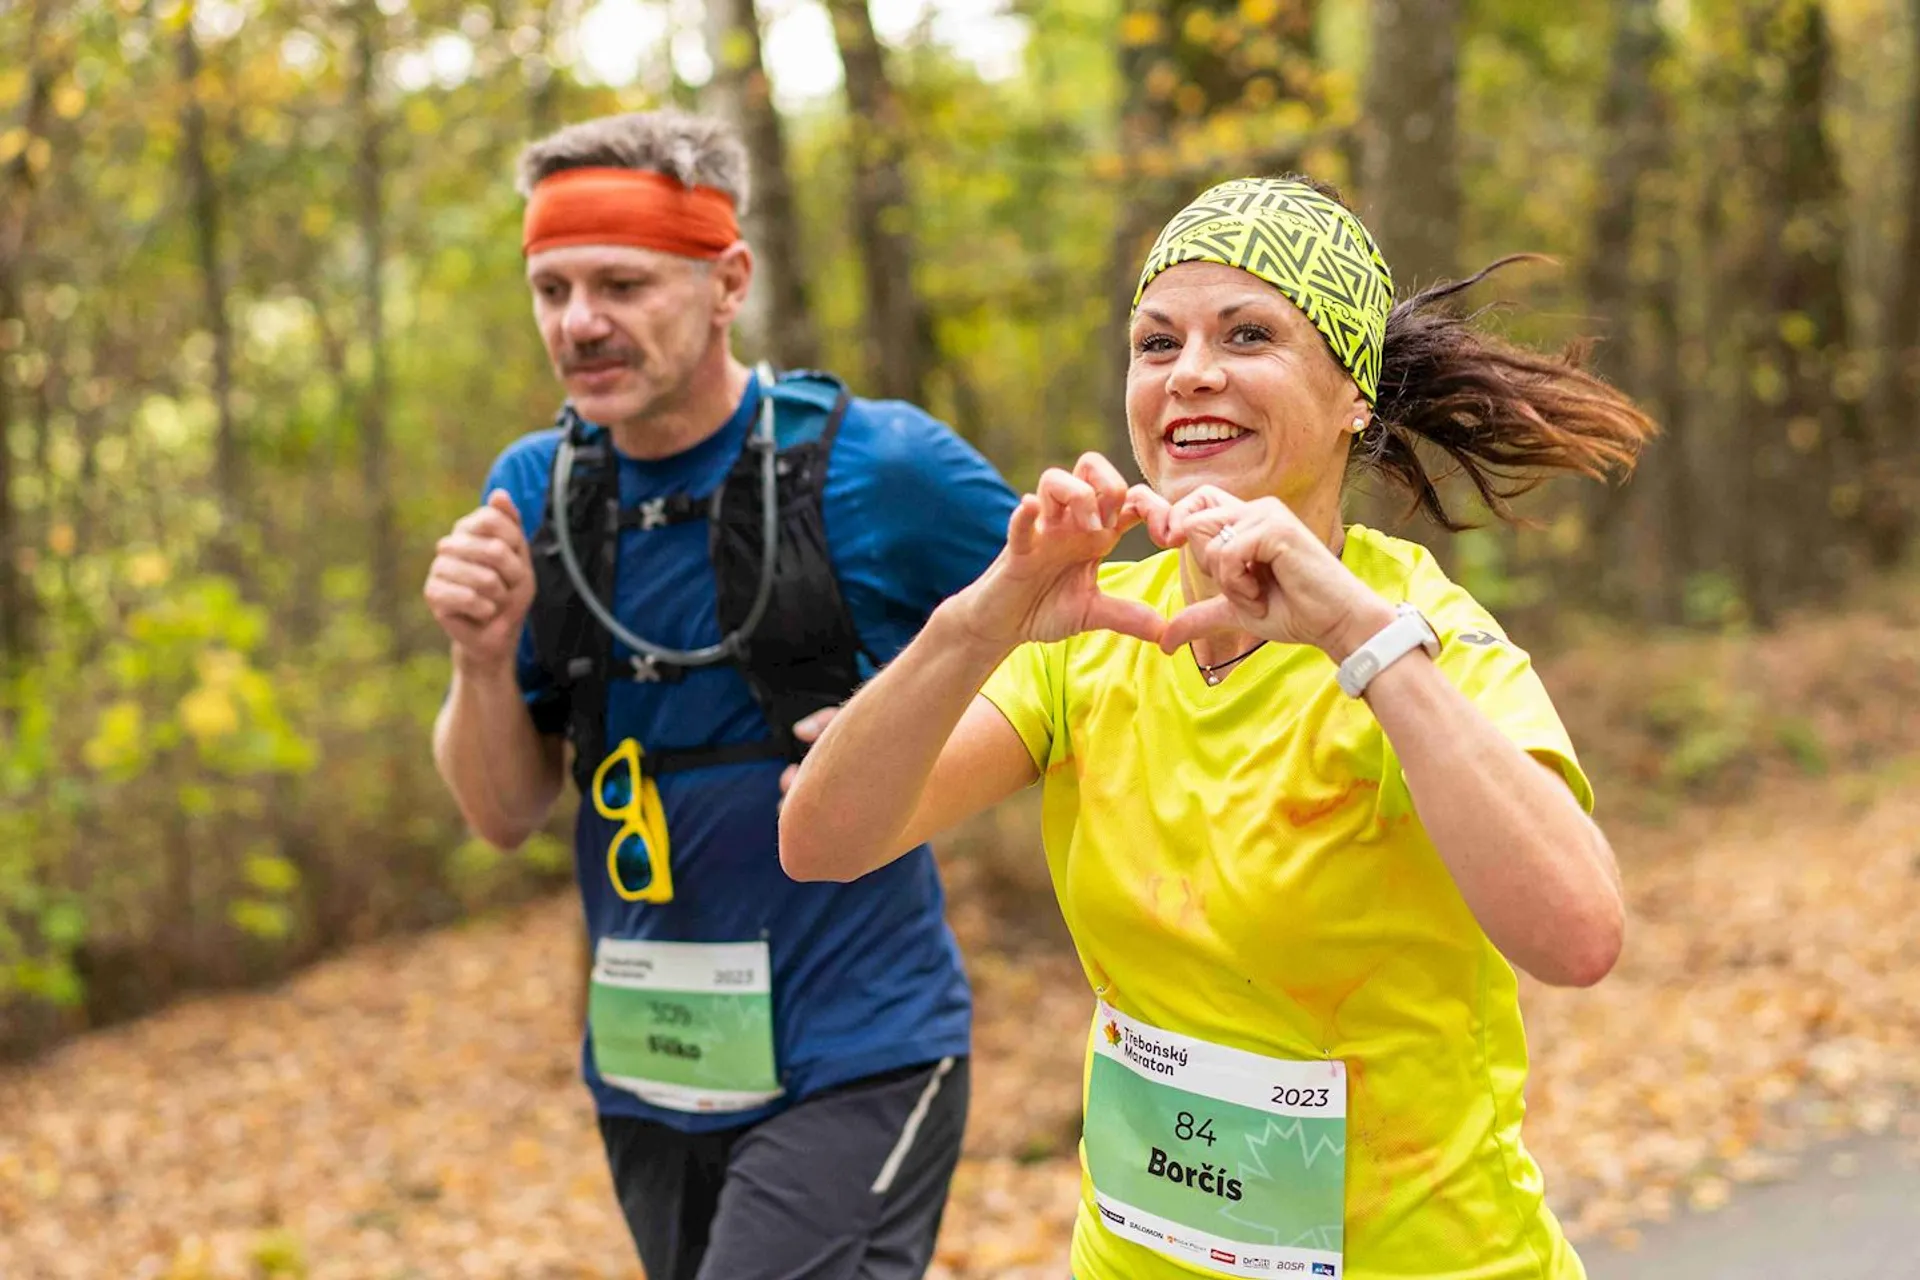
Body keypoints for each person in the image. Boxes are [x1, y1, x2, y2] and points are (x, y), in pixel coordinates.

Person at [781, 176, 1656, 1279]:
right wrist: (986, 611)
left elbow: (1578, 937)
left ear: (1354, 395)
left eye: (1249, 334)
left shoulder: (1424, 638)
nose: (1191, 371)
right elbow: (824, 841)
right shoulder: (1095, 632)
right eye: (1157, 343)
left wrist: (1357, 635)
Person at [422, 109, 1016, 1280]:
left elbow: (1094, 648)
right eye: (552, 289)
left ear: (727, 279)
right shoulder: (535, 491)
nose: (579, 321)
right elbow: (503, 812)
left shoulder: (883, 467)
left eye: (622, 283)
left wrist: (924, 736)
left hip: (861, 1046)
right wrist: (480, 658)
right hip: (653, 1061)